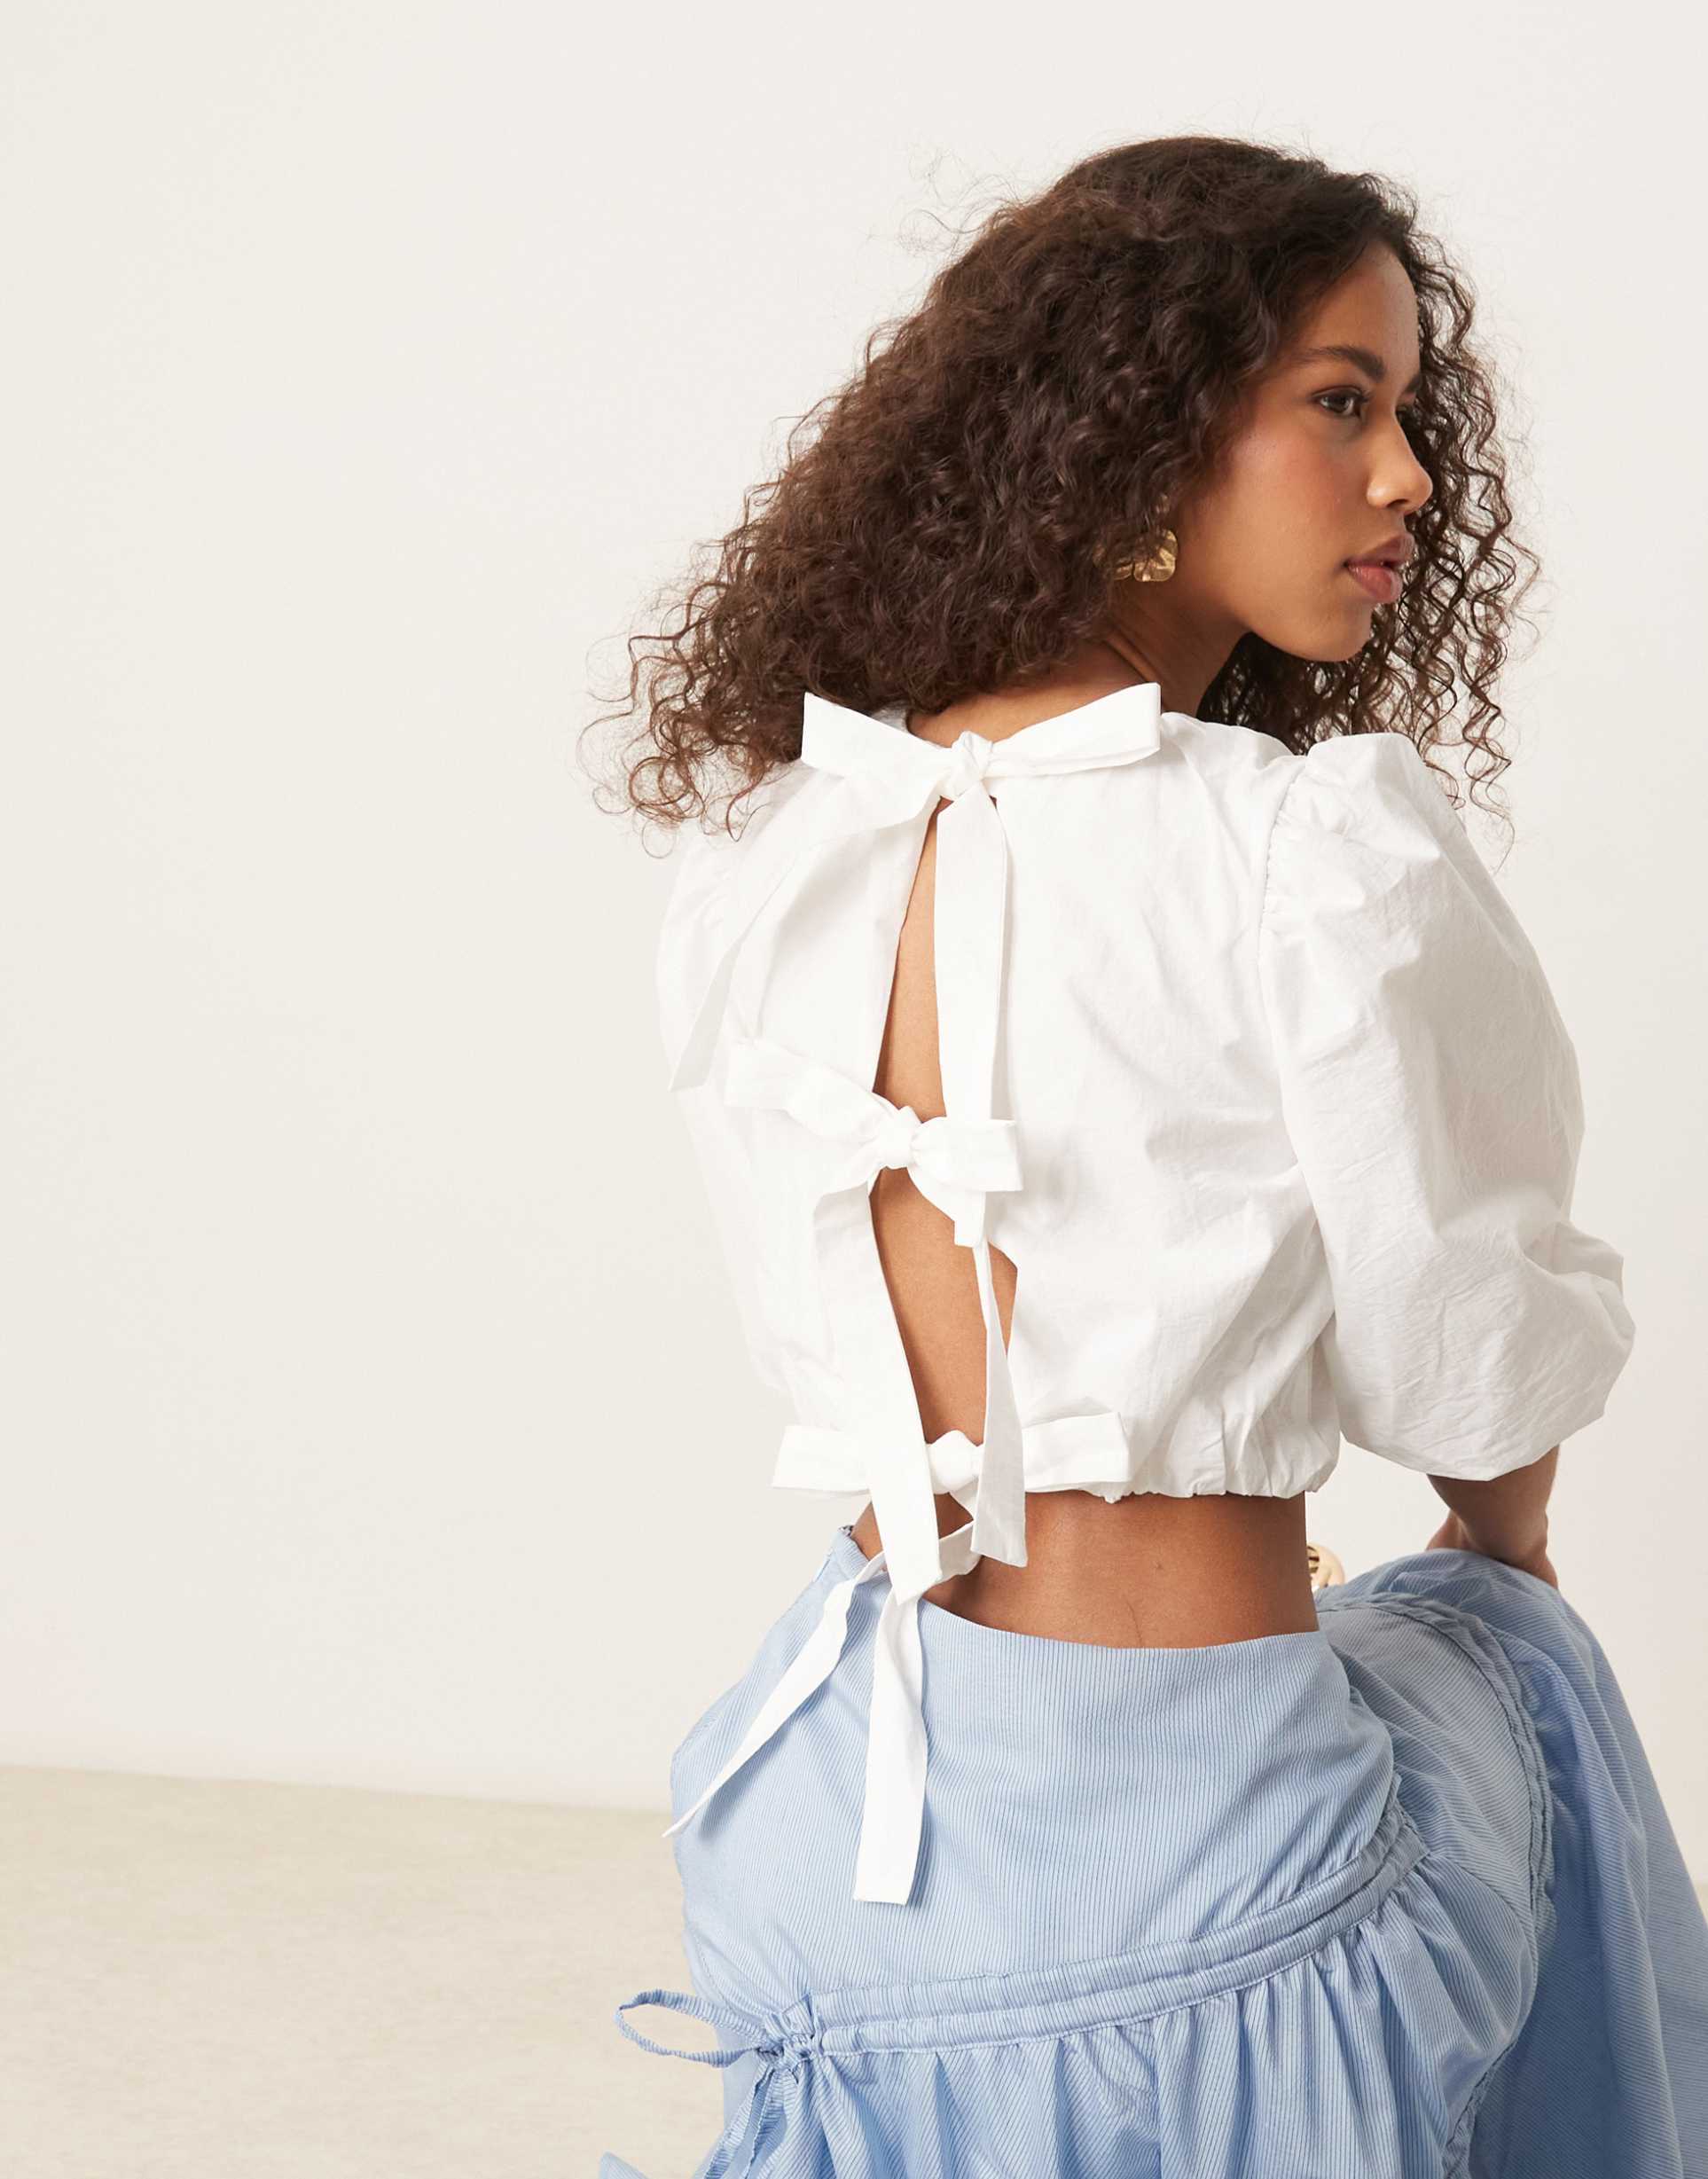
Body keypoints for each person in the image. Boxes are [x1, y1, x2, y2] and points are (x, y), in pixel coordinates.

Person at [589, 134, 1708, 2177]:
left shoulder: (779, 842)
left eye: (1410, 414)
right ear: (1137, 426)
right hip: (1201, 1871)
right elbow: (1471, 1368)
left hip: (822, 1834)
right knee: (1519, 1655)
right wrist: (1509, 1540)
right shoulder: (1300, 847)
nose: (1410, 479)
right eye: (1342, 403)